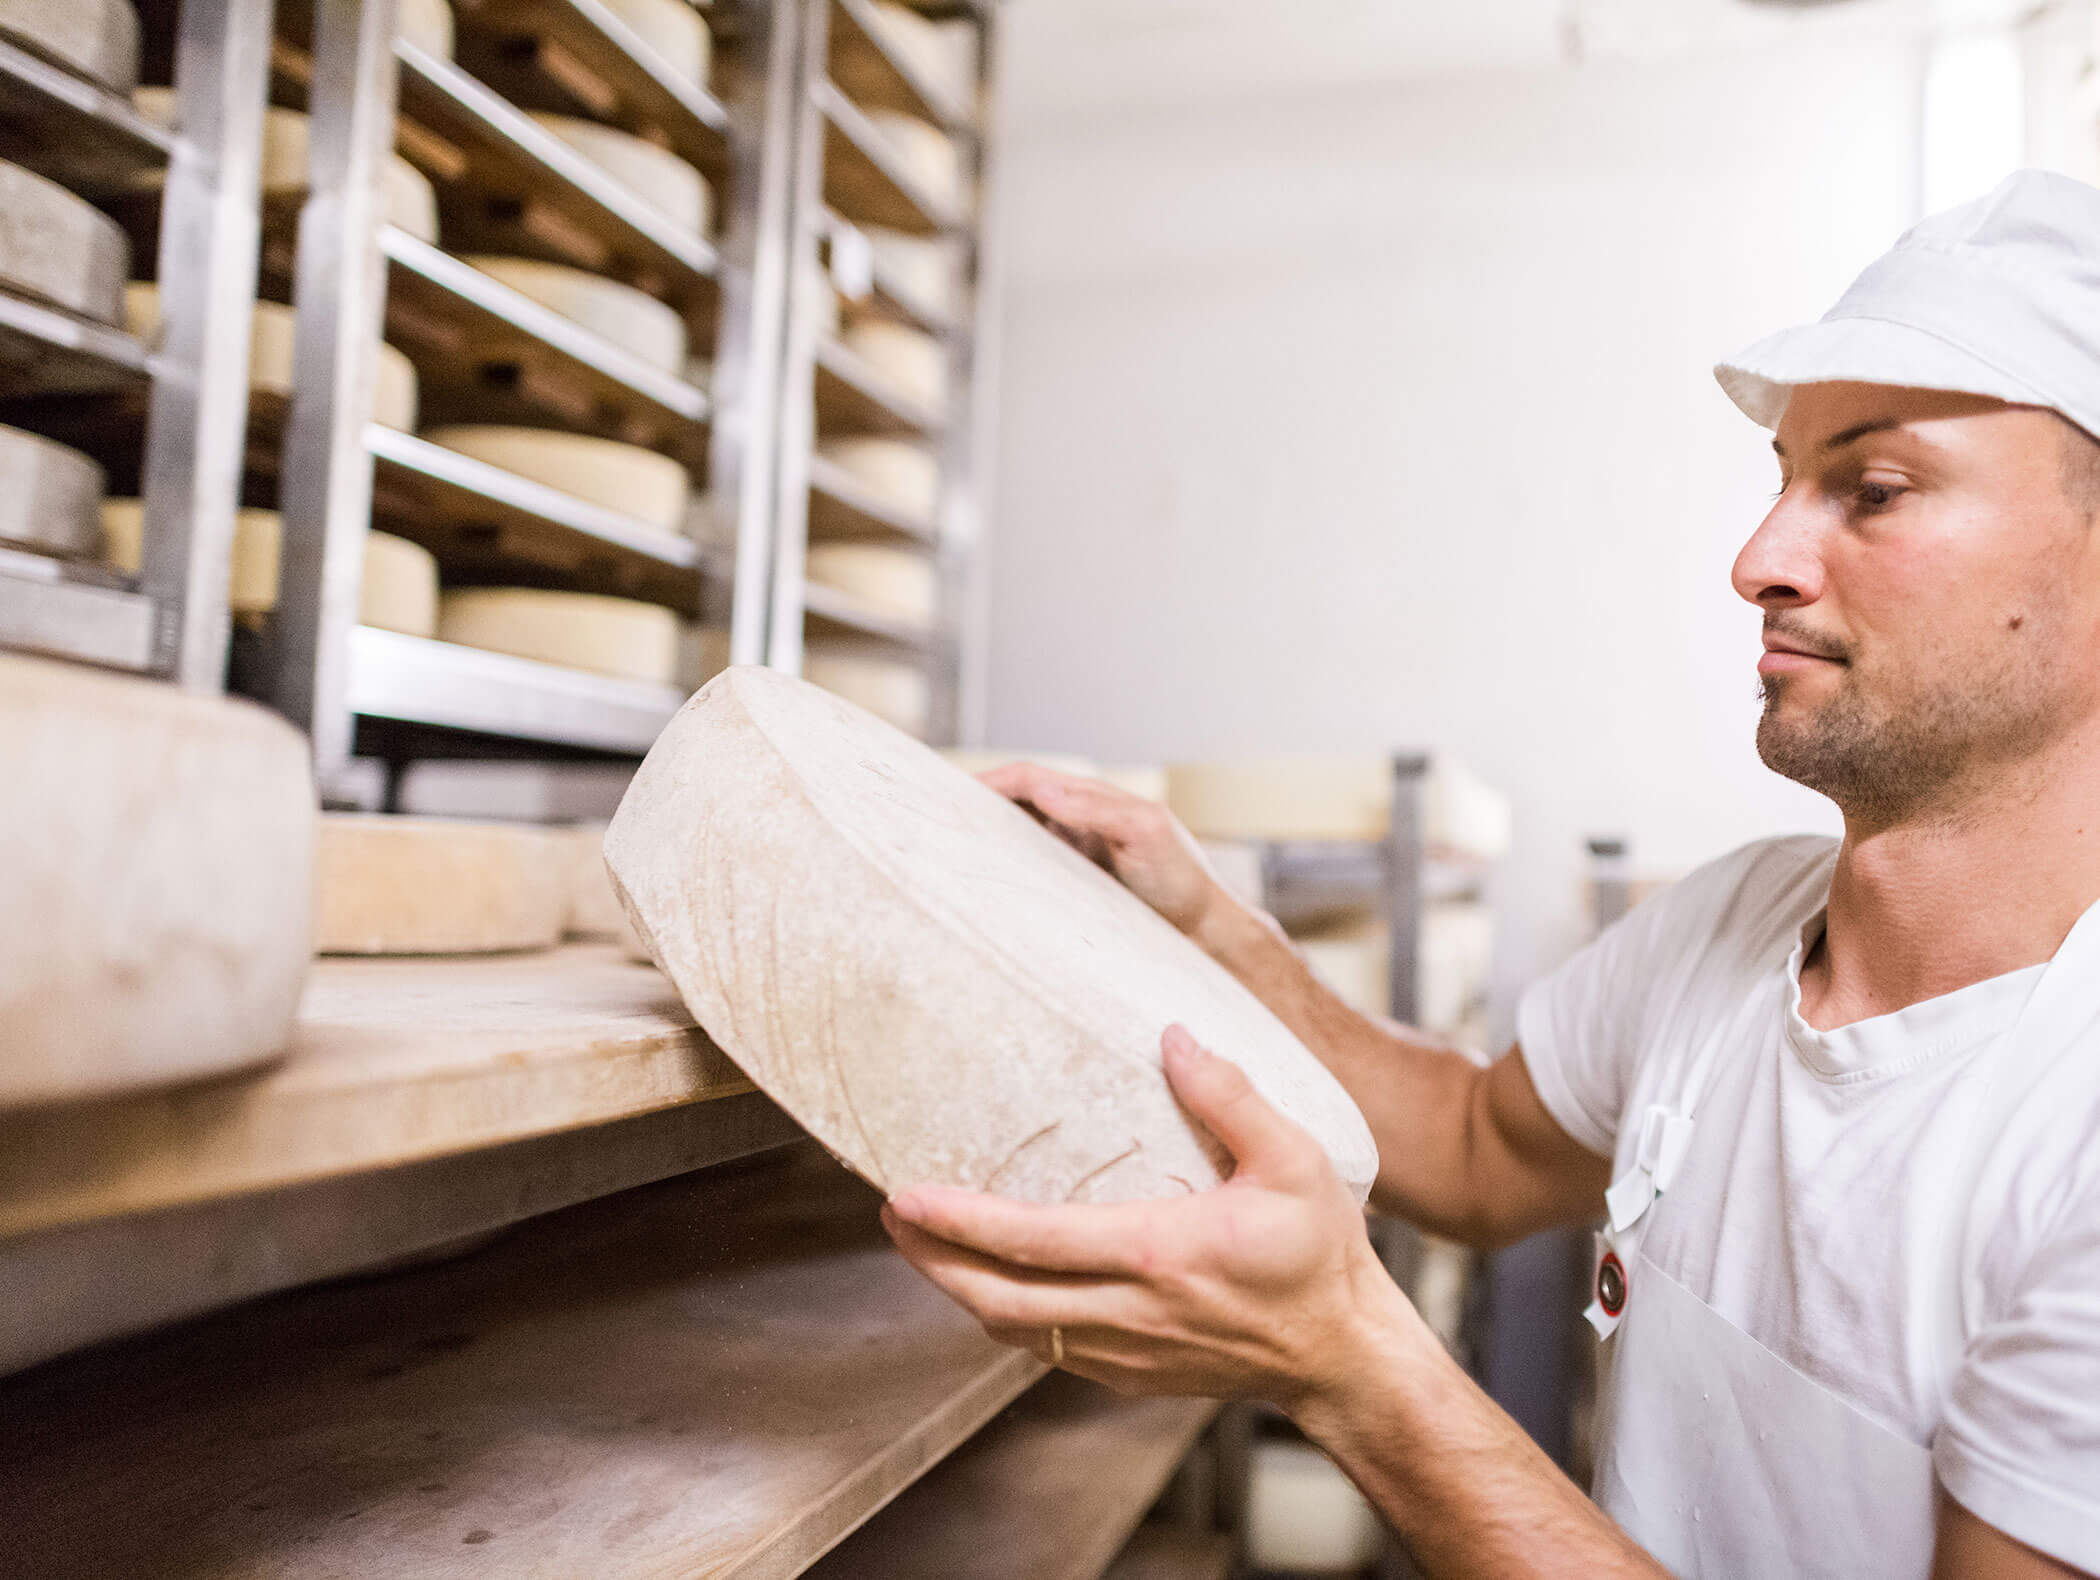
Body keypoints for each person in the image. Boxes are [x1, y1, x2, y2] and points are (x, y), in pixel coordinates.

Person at [880, 169, 2100, 1579]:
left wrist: (1351, 1368)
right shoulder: (1733, 924)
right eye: (1781, 486)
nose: (1757, 560)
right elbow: (1468, 1145)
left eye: (1873, 490)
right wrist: (1203, 919)